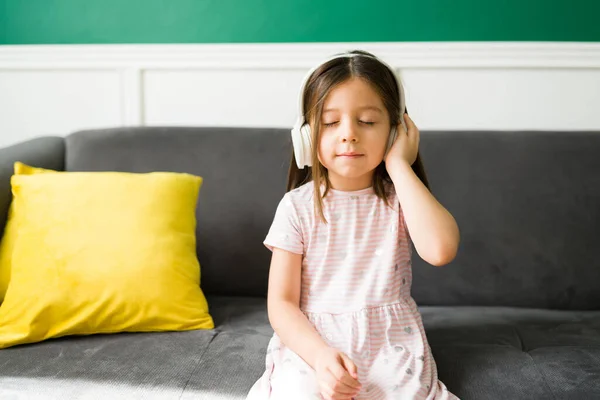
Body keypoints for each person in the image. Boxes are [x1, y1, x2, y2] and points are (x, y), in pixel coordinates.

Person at [246, 50, 461, 400]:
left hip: (390, 344)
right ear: (305, 137)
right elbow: (281, 304)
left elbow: (440, 250)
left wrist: (400, 167)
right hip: (313, 342)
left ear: (396, 132)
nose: (348, 134)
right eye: (331, 123)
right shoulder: (296, 207)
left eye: (368, 121)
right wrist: (319, 357)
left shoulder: (400, 199)